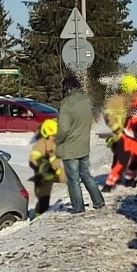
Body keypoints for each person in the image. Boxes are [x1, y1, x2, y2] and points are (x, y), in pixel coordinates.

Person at [54, 74, 106, 214]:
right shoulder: (87, 100)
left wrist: (57, 140)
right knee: (86, 175)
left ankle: (78, 208)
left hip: (70, 148)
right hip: (84, 145)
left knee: (73, 180)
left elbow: (64, 128)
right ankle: (98, 201)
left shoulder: (67, 103)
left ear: (67, 88)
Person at [27, 118, 65, 218]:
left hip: (52, 174)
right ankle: (36, 218)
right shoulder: (40, 145)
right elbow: (33, 160)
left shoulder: (52, 142)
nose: (55, 137)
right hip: (43, 177)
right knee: (43, 201)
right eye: (53, 135)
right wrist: (42, 167)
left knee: (72, 182)